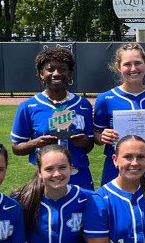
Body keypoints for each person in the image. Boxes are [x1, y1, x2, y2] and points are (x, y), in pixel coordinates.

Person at [11, 47, 95, 190]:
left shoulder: (83, 104)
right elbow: (16, 147)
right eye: (50, 69)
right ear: (41, 74)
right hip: (46, 177)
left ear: (70, 74)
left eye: (62, 69)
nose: (56, 73)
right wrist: (36, 143)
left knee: (84, 212)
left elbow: (90, 145)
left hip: (79, 176)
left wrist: (85, 142)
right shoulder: (28, 106)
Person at [93, 43, 145, 185]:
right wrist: (102, 136)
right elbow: (96, 134)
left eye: (138, 63)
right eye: (127, 64)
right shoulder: (106, 99)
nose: (133, 69)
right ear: (118, 67)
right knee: (114, 206)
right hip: (116, 168)